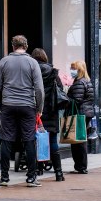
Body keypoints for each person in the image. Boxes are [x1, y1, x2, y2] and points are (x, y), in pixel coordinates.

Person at [0, 35, 44, 187]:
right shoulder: (32, 62)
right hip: (27, 106)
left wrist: (0, 103)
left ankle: (4, 177)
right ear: (26, 46)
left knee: (6, 139)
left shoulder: (4, 61)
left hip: (8, 105)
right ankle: (31, 177)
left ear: (13, 46)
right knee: (29, 140)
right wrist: (39, 108)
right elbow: (39, 89)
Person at [31, 48, 65, 181]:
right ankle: (58, 173)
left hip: (36, 111)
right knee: (52, 141)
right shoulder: (52, 72)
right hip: (51, 111)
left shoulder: (33, 71)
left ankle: (38, 169)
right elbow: (60, 89)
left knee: (36, 140)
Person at [67, 60, 95, 173]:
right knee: (81, 140)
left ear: (79, 70)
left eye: (73, 68)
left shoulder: (79, 82)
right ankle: (81, 166)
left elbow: (76, 100)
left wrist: (66, 98)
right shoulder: (87, 81)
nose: (71, 70)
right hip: (87, 113)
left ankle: (81, 166)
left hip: (80, 113)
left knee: (77, 141)